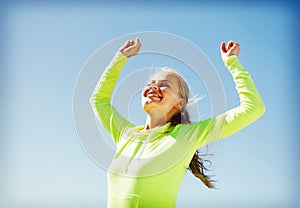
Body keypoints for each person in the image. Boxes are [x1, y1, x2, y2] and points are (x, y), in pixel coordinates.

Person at [92, 38, 265, 208]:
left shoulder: (187, 136)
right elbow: (98, 101)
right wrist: (120, 58)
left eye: (164, 85)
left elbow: (253, 108)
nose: (153, 87)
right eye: (150, 84)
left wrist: (232, 62)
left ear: (180, 103)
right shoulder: (126, 135)